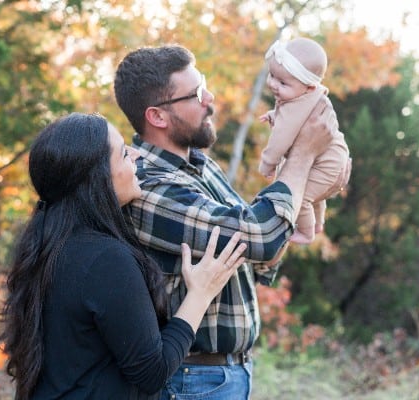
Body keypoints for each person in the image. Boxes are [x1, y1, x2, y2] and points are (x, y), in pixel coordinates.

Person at [114, 45, 347, 399]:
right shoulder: (148, 186)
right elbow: (263, 234)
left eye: (203, 84)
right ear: (157, 117)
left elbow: (259, 257)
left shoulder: (202, 167)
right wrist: (303, 154)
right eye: (195, 94)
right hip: (190, 381)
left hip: (226, 373)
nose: (210, 98)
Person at [0, 112, 249, 400]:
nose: (137, 157)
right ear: (98, 176)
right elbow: (152, 372)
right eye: (123, 153)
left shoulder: (50, 243)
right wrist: (201, 293)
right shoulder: (105, 259)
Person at [258, 38, 351, 244]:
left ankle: (307, 233)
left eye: (282, 83)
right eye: (272, 75)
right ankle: (318, 223)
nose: (273, 84)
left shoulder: (298, 102)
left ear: (308, 87)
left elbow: (281, 138)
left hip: (327, 160)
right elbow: (294, 120)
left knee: (302, 196)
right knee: (310, 185)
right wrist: (275, 115)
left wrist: (268, 163)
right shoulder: (305, 96)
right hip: (332, 154)